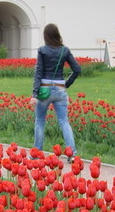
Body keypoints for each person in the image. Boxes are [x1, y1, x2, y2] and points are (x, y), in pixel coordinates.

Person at [31, 23, 81, 162]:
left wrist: (35, 94)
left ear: (46, 36)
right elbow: (77, 69)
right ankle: (72, 154)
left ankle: (37, 154)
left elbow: (39, 72)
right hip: (60, 88)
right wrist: (67, 84)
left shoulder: (42, 50)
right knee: (64, 121)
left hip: (44, 89)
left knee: (40, 121)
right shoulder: (64, 50)